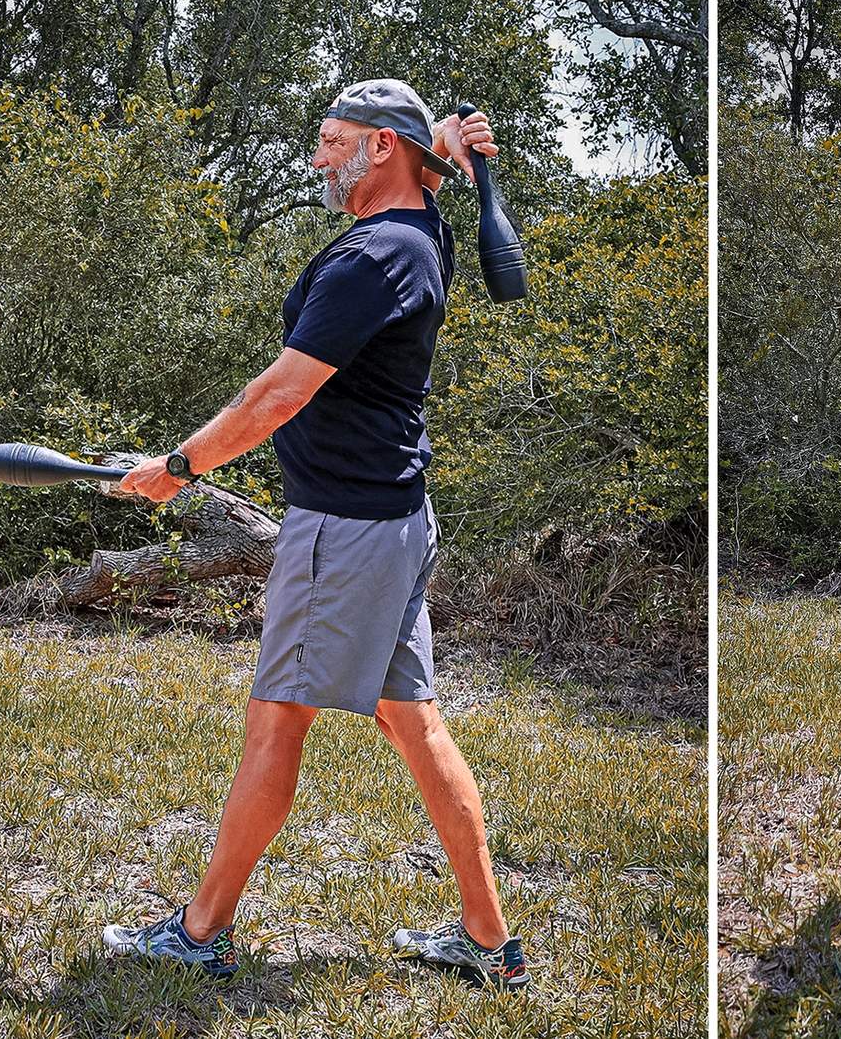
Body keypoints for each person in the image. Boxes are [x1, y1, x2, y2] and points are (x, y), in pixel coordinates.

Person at [101, 78, 529, 991]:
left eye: (333, 140)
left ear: (380, 148)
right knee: (414, 724)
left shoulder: (374, 258)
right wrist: (444, 152)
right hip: (394, 521)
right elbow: (427, 185)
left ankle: (199, 931)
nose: (316, 157)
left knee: (275, 723)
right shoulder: (422, 235)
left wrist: (179, 468)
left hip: (345, 532)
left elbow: (279, 393)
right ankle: (491, 944)